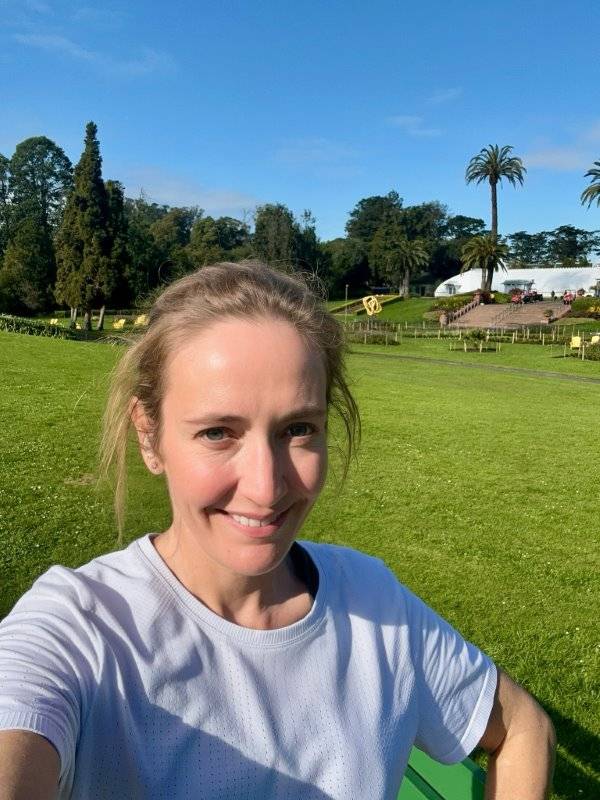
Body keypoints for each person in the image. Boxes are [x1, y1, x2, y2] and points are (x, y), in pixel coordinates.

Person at [0, 262, 555, 799]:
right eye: (218, 432)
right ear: (150, 436)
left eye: (298, 429)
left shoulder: (374, 601)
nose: (267, 489)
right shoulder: (81, 628)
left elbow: (523, 728)